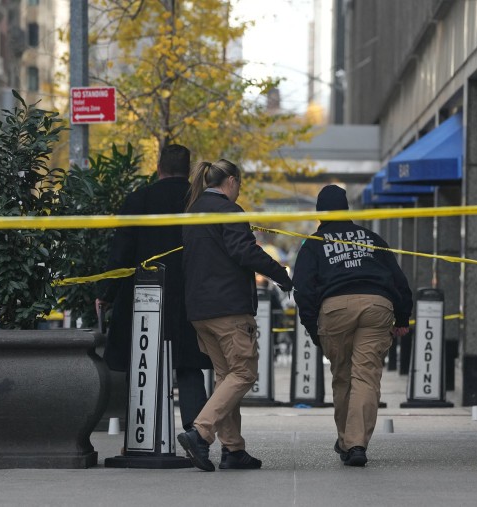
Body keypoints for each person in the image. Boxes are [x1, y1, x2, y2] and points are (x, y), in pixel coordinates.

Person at [176, 159, 293, 472]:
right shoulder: (229, 211)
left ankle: (234, 450)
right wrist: (279, 273)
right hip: (228, 308)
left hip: (199, 309)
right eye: (239, 184)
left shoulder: (194, 210)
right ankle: (201, 433)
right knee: (243, 373)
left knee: (225, 377)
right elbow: (244, 251)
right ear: (230, 180)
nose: (239, 191)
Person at [292, 184, 413, 467]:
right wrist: (403, 318)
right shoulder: (371, 238)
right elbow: (399, 280)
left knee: (343, 376)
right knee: (366, 376)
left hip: (335, 309)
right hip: (377, 305)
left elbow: (303, 290)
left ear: (320, 213)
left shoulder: (313, 243)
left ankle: (348, 439)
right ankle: (355, 443)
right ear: (347, 209)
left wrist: (313, 329)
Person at [97, 144, 212, 434]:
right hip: (189, 297)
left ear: (158, 168)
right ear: (189, 170)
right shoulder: (198, 201)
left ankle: (143, 431)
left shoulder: (139, 199)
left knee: (143, 363)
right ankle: (195, 434)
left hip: (144, 296)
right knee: (189, 368)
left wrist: (106, 293)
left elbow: (121, 252)